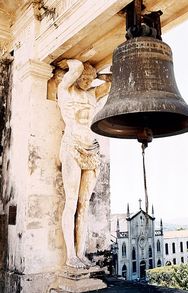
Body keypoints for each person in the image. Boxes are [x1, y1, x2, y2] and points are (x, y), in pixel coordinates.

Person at [57, 59, 110, 268]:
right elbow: (77, 67)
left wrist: (98, 76)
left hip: (92, 149)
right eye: (83, 78)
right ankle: (70, 255)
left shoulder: (92, 94)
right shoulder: (65, 91)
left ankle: (81, 254)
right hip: (72, 146)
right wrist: (74, 65)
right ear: (75, 77)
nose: (87, 81)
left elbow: (112, 83)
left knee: (84, 205)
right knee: (71, 202)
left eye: (90, 78)